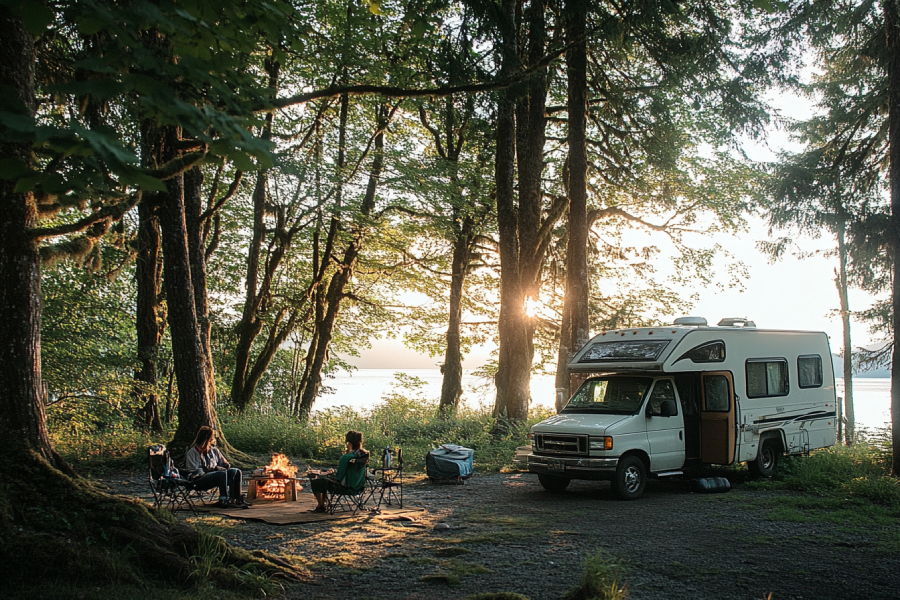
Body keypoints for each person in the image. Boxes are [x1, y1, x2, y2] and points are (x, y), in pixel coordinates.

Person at [185, 426, 249, 508]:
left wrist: (223, 466)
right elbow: (194, 471)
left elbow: (225, 464)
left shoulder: (213, 450)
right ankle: (223, 499)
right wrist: (212, 471)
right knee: (221, 474)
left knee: (236, 471)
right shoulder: (192, 452)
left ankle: (235, 499)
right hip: (200, 480)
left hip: (216, 475)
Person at [310, 430, 369, 513]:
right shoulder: (364, 455)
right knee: (323, 481)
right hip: (359, 488)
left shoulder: (346, 457)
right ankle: (322, 505)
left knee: (317, 482)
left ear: (349, 443)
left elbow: (339, 477)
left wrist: (329, 474)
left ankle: (321, 505)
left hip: (346, 488)